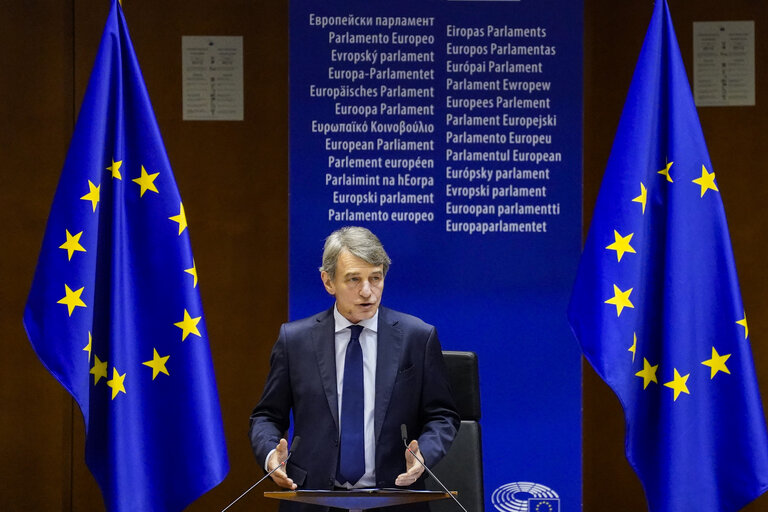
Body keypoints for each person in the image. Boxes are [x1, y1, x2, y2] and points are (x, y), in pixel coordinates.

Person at [249, 226, 459, 511]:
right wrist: (271, 454)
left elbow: (442, 415)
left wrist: (424, 454)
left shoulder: (417, 337)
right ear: (328, 282)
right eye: (353, 279)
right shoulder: (295, 341)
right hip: (312, 499)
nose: (367, 292)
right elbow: (267, 415)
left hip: (395, 498)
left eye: (376, 278)